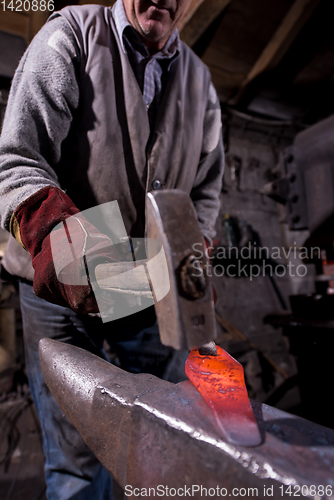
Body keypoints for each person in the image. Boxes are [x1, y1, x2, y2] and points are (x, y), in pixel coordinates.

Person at [0, 0, 224, 498]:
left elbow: (207, 189)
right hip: (58, 294)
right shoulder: (72, 33)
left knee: (145, 439)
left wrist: (195, 253)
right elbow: (18, 158)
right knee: (76, 452)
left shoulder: (201, 83)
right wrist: (59, 236)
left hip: (151, 294)